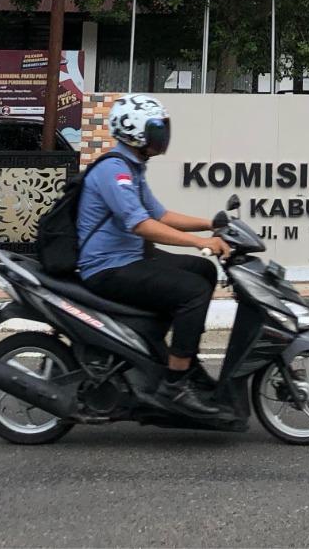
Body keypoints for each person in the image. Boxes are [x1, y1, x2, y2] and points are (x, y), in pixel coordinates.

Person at [77, 94, 230, 417]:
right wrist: (199, 242)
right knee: (192, 291)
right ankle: (174, 385)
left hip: (131, 258)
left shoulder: (132, 168)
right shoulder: (114, 171)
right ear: (135, 132)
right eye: (157, 130)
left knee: (204, 271)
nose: (163, 136)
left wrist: (211, 224)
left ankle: (184, 359)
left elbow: (161, 215)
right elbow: (141, 225)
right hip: (107, 268)